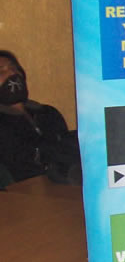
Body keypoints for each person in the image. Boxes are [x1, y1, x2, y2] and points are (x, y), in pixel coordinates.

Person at [0, 49, 80, 184]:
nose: (12, 73)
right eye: (1, 71)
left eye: (14, 68)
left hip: (65, 186)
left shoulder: (48, 113)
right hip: (24, 191)